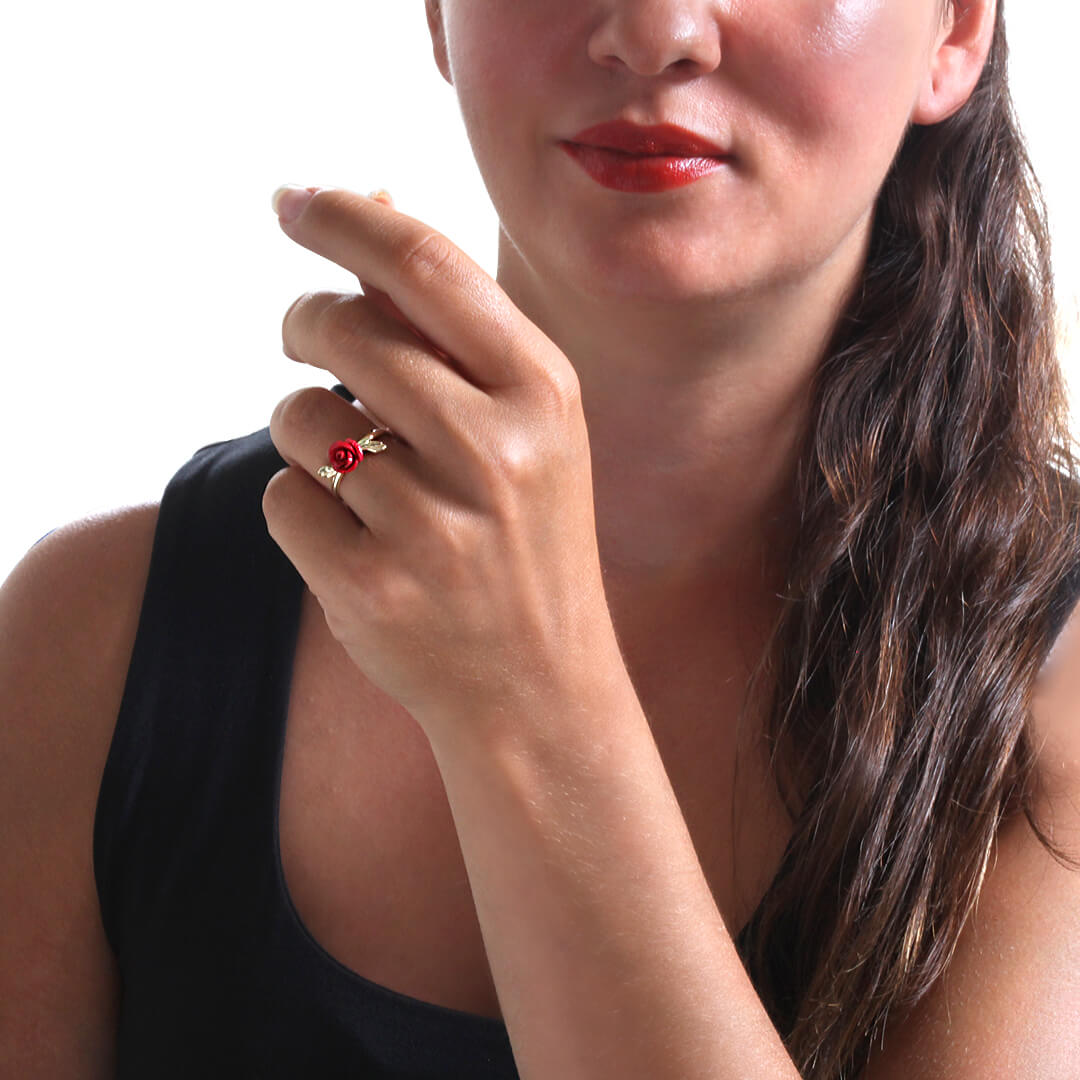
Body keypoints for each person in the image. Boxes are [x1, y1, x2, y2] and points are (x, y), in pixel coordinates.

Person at [3, 0, 1080, 1077]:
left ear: (954, 29)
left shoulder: (1060, 687)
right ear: (438, 13)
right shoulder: (89, 638)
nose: (654, 30)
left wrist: (526, 693)